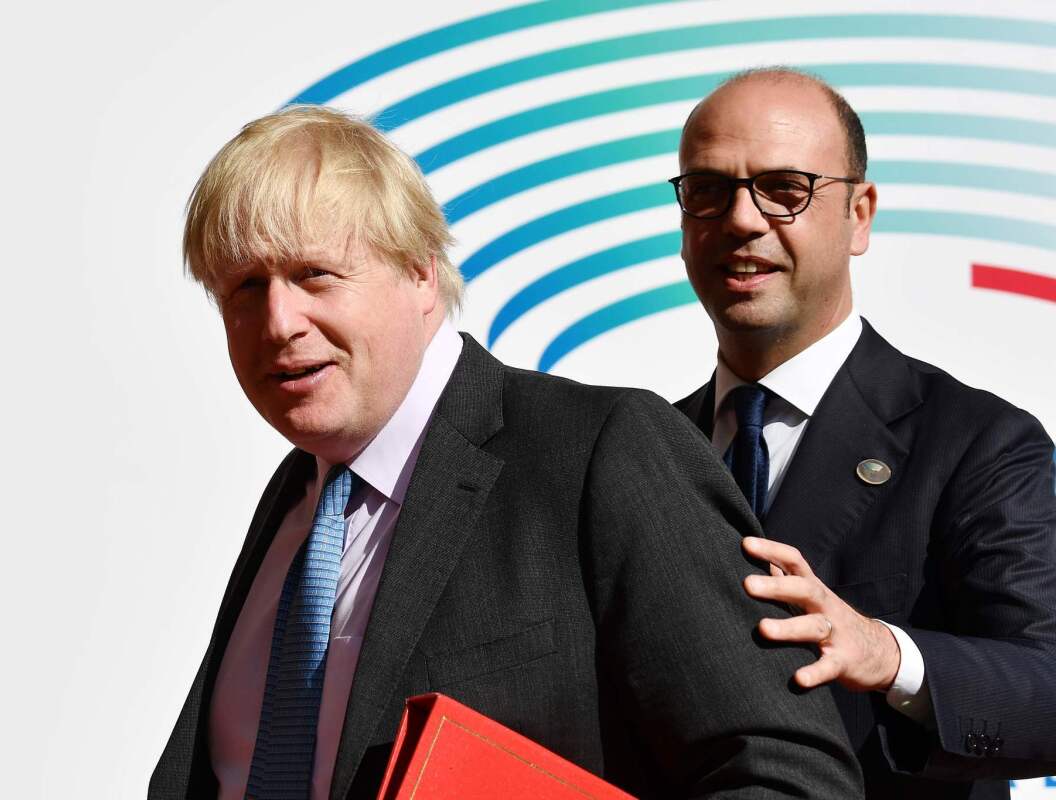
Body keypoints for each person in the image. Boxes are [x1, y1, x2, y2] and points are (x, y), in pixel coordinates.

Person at [149, 106, 862, 799]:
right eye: (245, 288)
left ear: (422, 272)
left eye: (315, 275)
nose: (278, 322)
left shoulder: (599, 452)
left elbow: (789, 774)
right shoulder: (295, 504)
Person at [672, 68, 1056, 799]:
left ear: (860, 215)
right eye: (708, 190)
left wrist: (887, 654)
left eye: (785, 187)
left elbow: (1045, 687)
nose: (742, 220)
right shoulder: (642, 447)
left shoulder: (978, 443)